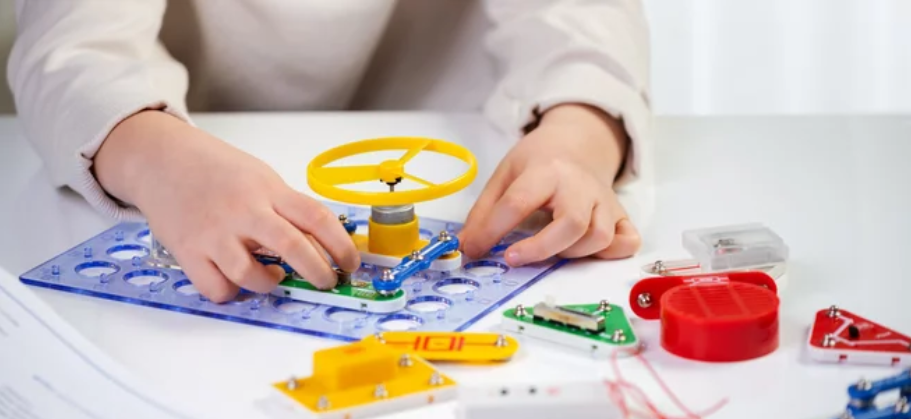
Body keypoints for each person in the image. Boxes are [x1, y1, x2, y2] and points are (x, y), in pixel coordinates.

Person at [8, 0, 651, 303]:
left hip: (469, 136)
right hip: (189, 144)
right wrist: (155, 155)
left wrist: (579, 129)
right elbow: (71, 52)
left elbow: (581, 18)